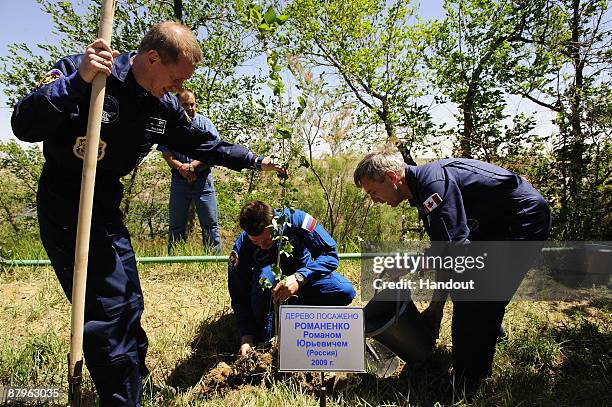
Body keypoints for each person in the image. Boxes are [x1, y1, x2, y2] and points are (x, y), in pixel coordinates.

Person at [11, 22, 285, 406]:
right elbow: (23, 123)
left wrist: (254, 160)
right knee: (108, 310)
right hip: (67, 203)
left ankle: (137, 382)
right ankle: (122, 399)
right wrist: (80, 81)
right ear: (152, 58)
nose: (178, 88)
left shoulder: (163, 106)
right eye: (175, 79)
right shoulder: (87, 71)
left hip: (105, 204)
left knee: (130, 299)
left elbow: (203, 143)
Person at [353, 151, 551, 393]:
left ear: (392, 177)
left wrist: (412, 264)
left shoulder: (432, 185)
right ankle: (492, 337)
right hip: (490, 229)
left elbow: (453, 252)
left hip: (521, 220)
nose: (374, 200)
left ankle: (467, 385)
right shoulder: (421, 192)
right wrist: (436, 307)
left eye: (373, 192)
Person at [228, 201, 356, 356]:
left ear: (275, 225)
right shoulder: (242, 247)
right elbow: (238, 294)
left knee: (344, 291)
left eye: (268, 239)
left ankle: (298, 319)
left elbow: (330, 255)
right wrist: (246, 336)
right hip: (266, 296)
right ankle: (265, 335)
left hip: (304, 278)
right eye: (256, 242)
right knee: (265, 278)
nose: (262, 246)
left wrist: (299, 277)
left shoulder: (297, 221)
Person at [158, 89, 221, 254]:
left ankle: (212, 260)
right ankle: (175, 258)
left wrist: (192, 166)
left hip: (203, 180)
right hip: (179, 180)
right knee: (176, 224)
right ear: (179, 105)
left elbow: (213, 152)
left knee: (209, 224)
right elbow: (167, 154)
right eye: (186, 105)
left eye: (192, 104)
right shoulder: (170, 127)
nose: (190, 108)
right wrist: (182, 168)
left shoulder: (206, 124)